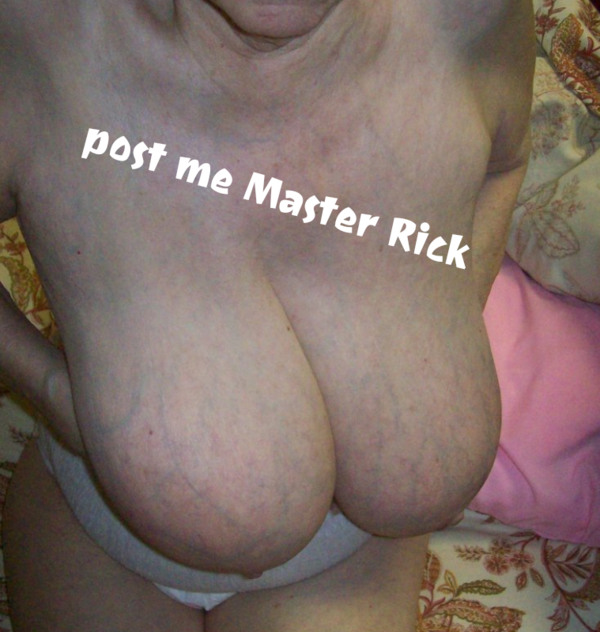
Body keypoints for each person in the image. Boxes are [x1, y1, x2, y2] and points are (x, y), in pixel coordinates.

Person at [0, 0, 534, 629]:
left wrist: (445, 305)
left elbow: (505, 160)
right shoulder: (36, 33)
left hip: (350, 563)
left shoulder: (471, 14)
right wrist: (55, 392)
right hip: (101, 536)